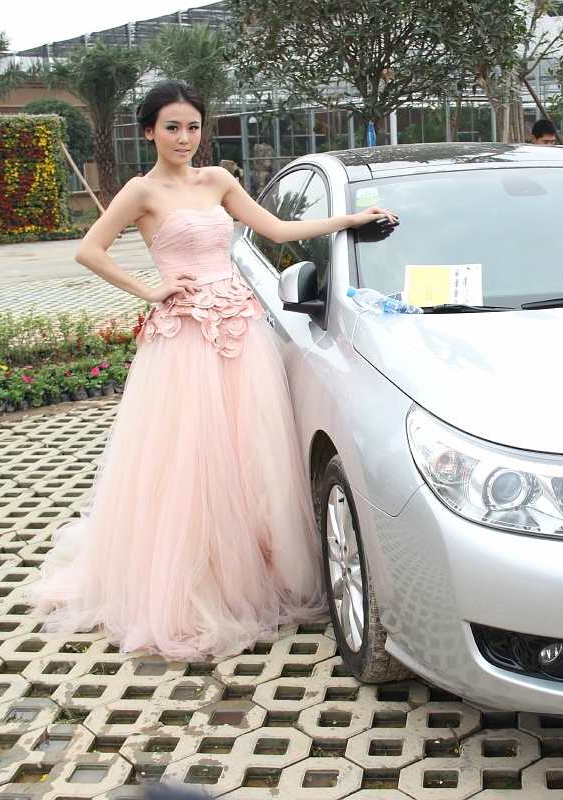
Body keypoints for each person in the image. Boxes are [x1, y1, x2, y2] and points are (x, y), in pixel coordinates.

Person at [26, 79, 397, 660]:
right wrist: (150, 289)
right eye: (172, 127)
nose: (184, 138)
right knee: (191, 461)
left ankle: (252, 572)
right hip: (184, 340)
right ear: (149, 131)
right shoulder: (140, 191)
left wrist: (349, 220)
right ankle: (190, 583)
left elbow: (277, 230)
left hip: (240, 330)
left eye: (193, 127)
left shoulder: (219, 180)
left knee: (249, 455)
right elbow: (89, 250)